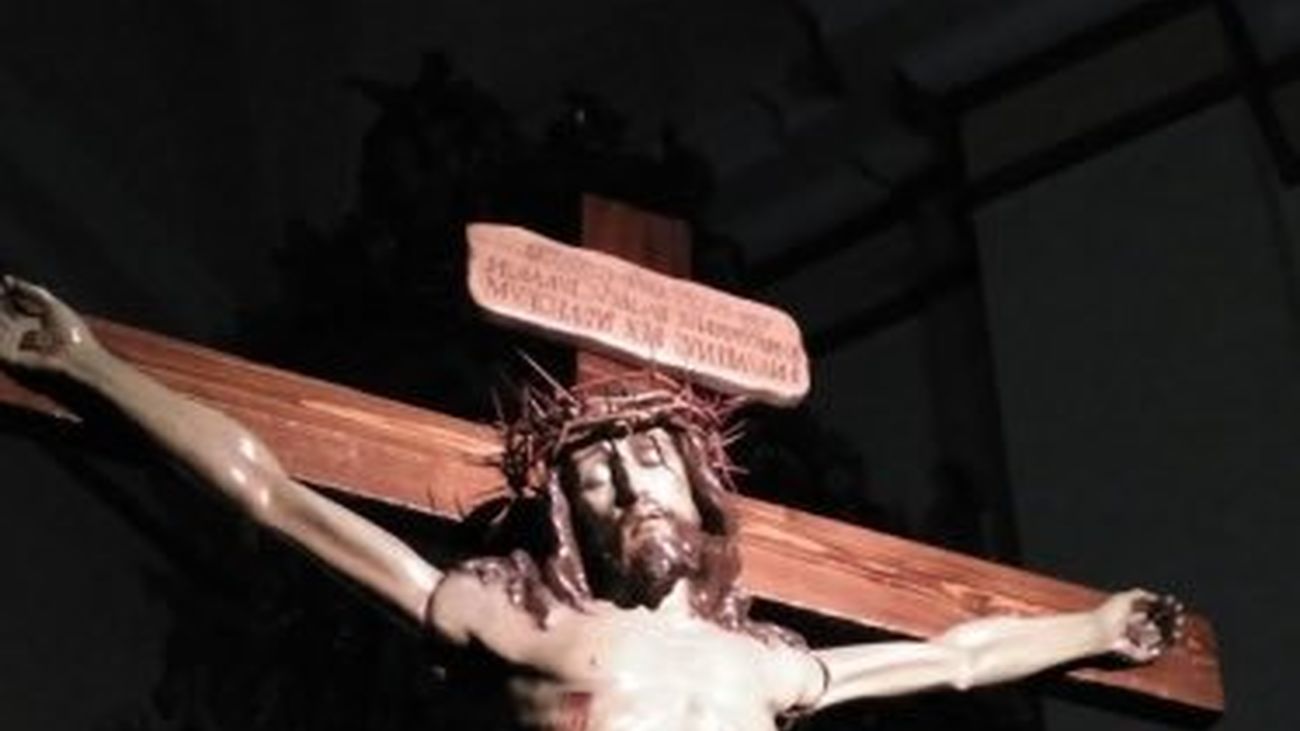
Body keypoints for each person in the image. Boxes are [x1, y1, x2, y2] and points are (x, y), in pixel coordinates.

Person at [0, 276, 1181, 731]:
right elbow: (268, 491)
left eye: (649, 462)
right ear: (567, 516)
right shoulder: (516, 620)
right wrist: (91, 363)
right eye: (597, 477)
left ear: (699, 487)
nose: (626, 483)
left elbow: (962, 658)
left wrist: (1093, 628)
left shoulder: (767, 664)